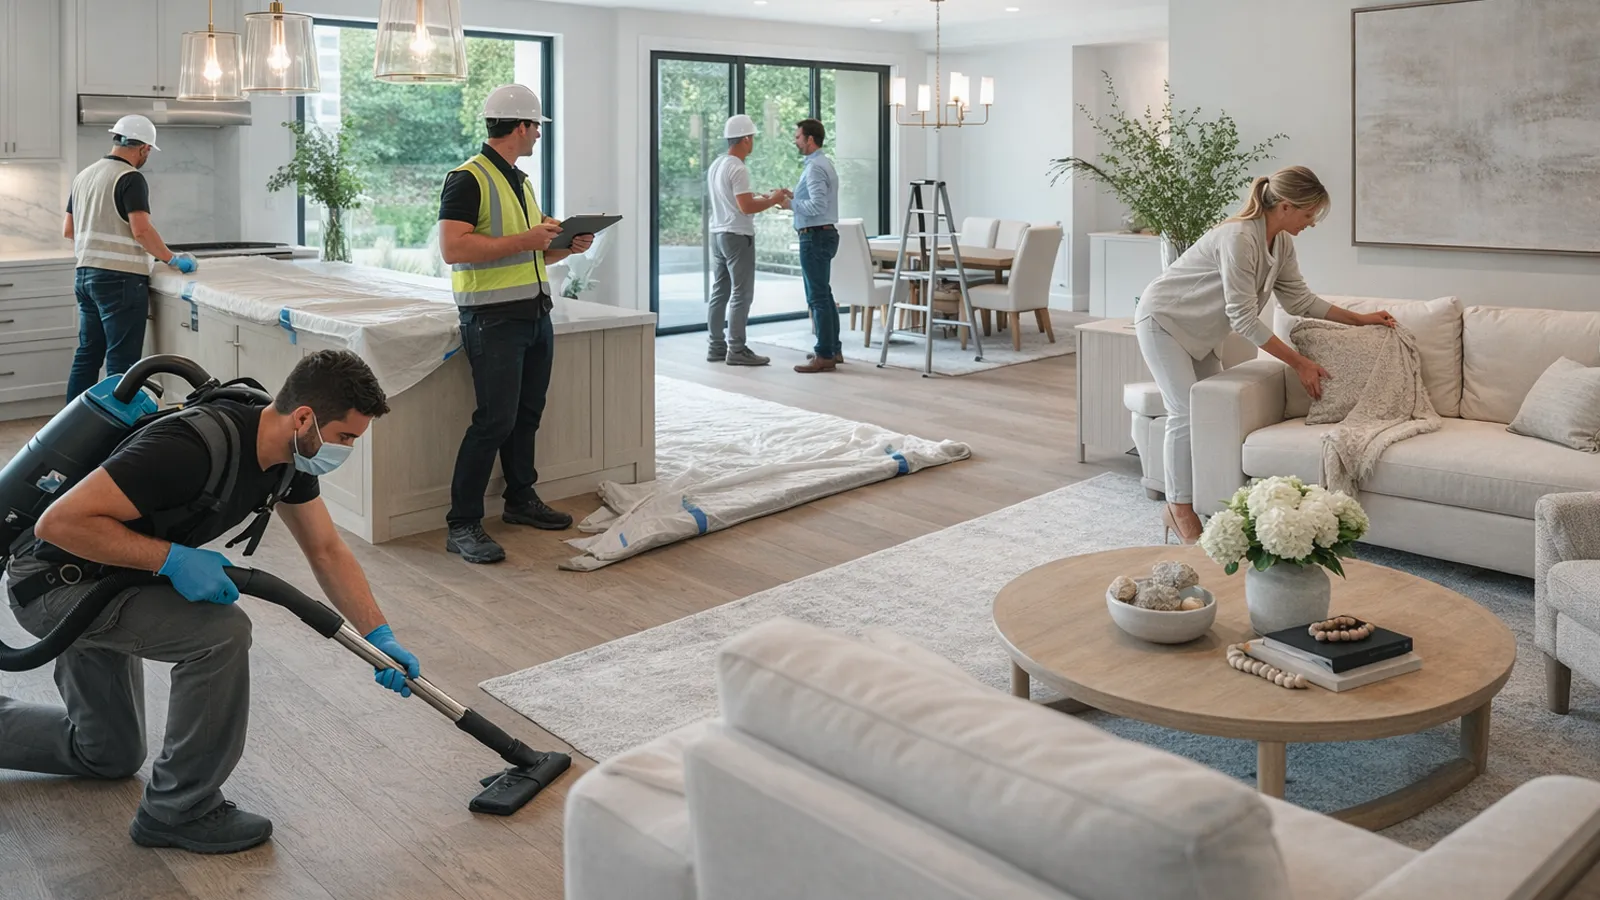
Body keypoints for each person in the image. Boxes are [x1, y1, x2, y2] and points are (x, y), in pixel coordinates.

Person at [0, 350, 412, 855]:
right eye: (345, 437)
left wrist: (379, 636)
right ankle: (179, 811)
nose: (345, 449)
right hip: (58, 584)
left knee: (107, 754)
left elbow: (325, 549)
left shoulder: (288, 460)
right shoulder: (187, 447)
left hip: (114, 573)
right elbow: (58, 525)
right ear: (305, 417)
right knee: (220, 633)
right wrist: (172, 559)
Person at [1133, 165, 1397, 544]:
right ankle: (1179, 508)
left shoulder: (1282, 243)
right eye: (1309, 214)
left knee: (1211, 417)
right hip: (1164, 320)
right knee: (1185, 414)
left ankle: (1204, 502)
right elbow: (1241, 317)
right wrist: (1301, 363)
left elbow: (1300, 300)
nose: (1312, 223)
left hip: (1201, 334)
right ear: (1286, 207)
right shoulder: (1238, 238)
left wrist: (1360, 319)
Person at [437, 84, 594, 565]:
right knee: (494, 422)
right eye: (537, 128)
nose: (539, 137)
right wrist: (528, 238)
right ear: (521, 126)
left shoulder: (520, 181)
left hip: (533, 313)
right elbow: (454, 249)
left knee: (527, 415)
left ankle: (520, 500)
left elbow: (531, 251)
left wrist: (566, 245)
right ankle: (462, 524)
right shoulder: (467, 178)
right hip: (492, 319)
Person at [62, 115, 199, 402]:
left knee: (88, 354)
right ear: (144, 148)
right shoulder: (130, 178)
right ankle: (116, 434)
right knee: (122, 363)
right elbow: (142, 231)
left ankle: (71, 427)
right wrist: (172, 259)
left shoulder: (83, 176)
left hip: (85, 277)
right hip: (120, 281)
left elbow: (68, 230)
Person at [705, 113, 790, 367]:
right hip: (737, 237)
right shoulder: (738, 167)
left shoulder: (717, 165)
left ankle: (716, 346)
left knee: (720, 292)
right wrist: (774, 199)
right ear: (744, 139)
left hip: (717, 234)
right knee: (742, 294)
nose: (753, 142)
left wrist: (762, 197)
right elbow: (745, 207)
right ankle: (737, 349)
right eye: (751, 137)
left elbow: (736, 200)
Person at [780, 118, 841, 374]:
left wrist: (789, 205)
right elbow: (817, 199)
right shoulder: (821, 164)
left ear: (810, 139)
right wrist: (794, 196)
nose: (795, 141)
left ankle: (824, 354)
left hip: (814, 237)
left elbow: (818, 206)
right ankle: (832, 349)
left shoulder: (815, 167)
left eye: (798, 137)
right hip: (822, 234)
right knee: (824, 295)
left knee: (817, 297)